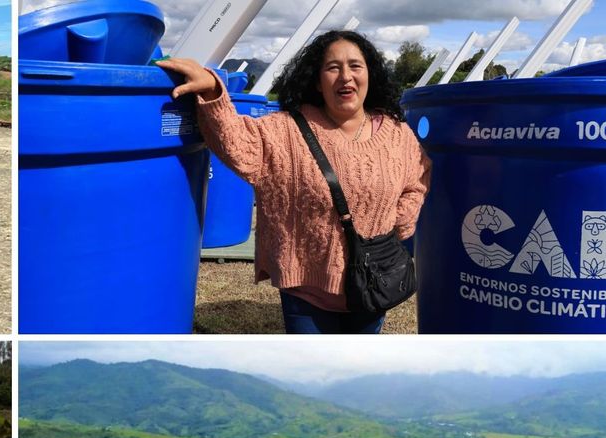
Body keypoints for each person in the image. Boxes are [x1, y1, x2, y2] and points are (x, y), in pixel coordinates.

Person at [158, 31, 431, 334]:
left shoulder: (396, 134)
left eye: (355, 66)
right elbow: (236, 140)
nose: (345, 77)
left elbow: (418, 176)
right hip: (306, 293)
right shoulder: (286, 132)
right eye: (332, 68)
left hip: (374, 285)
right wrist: (212, 91)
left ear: (370, 74)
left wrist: (398, 222)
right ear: (316, 81)